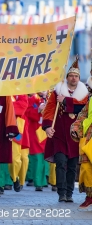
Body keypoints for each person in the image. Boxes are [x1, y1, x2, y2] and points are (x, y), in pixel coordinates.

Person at [42, 56, 88, 202]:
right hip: (60, 133)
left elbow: (83, 107)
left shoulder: (84, 94)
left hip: (75, 134)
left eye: (76, 76)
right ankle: (61, 192)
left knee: (73, 166)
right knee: (61, 162)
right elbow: (49, 110)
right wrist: (48, 127)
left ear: (79, 78)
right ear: (67, 77)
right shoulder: (57, 92)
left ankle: (69, 193)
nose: (73, 78)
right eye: (71, 75)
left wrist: (66, 101)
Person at [70, 62, 92, 209]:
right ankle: (90, 196)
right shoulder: (90, 99)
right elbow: (83, 115)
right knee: (86, 167)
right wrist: (75, 127)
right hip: (88, 137)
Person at [26, 91, 49, 191]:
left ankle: (44, 180)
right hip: (35, 132)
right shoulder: (32, 99)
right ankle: (38, 182)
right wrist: (38, 110)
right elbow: (27, 112)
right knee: (37, 158)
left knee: (46, 158)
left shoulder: (50, 99)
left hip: (47, 131)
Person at [8, 95, 29, 192]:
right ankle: (15, 178)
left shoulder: (21, 93)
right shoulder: (5, 92)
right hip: (9, 127)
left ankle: (20, 181)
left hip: (20, 130)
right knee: (14, 158)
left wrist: (9, 106)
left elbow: (22, 108)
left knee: (23, 159)